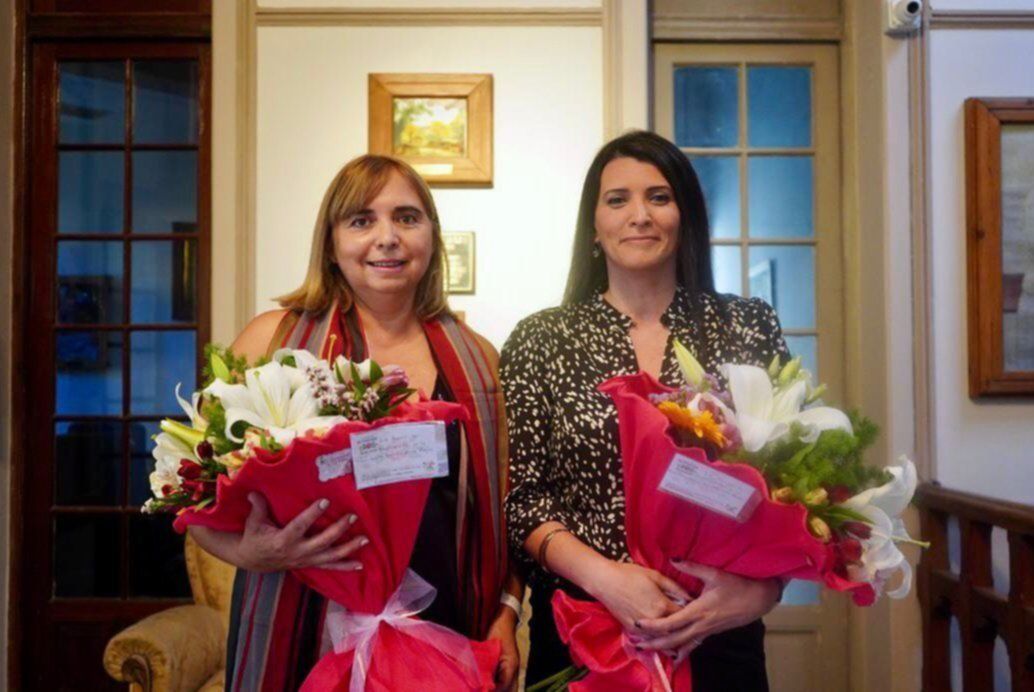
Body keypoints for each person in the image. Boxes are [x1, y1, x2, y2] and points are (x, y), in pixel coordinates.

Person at [189, 154, 522, 691]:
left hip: (444, 632)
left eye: (407, 218)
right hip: (303, 632)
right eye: (362, 220)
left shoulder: (479, 360)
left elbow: (507, 507)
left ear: (432, 236)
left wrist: (506, 613)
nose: (387, 238)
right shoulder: (272, 341)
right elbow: (189, 490)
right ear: (331, 243)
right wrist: (247, 553)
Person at [501, 130, 790, 690]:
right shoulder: (542, 339)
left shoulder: (745, 325)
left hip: (717, 631)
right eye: (618, 200)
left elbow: (789, 480)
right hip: (583, 626)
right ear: (593, 225)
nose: (640, 215)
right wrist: (607, 579)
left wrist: (762, 589)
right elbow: (521, 498)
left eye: (659, 197)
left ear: (685, 215)